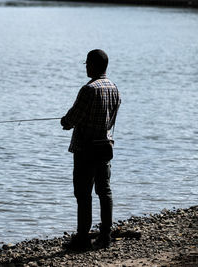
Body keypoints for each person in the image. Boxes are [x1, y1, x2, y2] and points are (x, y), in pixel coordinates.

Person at [60, 49, 121, 250]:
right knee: (104, 191)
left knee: (83, 194)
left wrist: (65, 122)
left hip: (85, 148)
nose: (86, 66)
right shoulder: (114, 87)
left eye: (87, 63)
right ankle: (106, 236)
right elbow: (111, 119)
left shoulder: (89, 89)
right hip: (105, 146)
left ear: (94, 65)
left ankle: (83, 238)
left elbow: (73, 118)